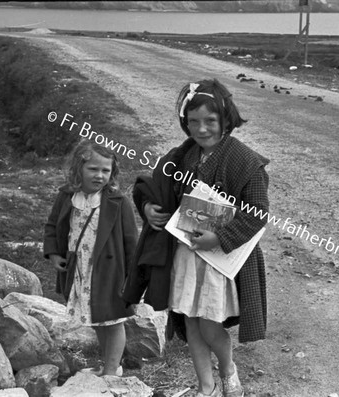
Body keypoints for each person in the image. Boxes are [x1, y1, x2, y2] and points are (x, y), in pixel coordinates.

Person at [123, 79, 269, 397]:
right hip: (187, 254)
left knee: (208, 323)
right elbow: (154, 186)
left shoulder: (246, 163)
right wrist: (148, 207)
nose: (202, 129)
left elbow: (257, 213)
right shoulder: (183, 157)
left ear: (226, 120)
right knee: (189, 321)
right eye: (194, 122)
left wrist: (218, 237)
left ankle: (228, 370)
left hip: (218, 260)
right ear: (185, 122)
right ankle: (207, 387)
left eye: (210, 121)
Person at [44, 140, 137, 376]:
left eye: (106, 170)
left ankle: (111, 370)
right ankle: (110, 364)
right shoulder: (67, 196)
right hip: (80, 268)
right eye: (93, 169)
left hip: (110, 271)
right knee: (97, 319)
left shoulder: (118, 202)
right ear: (79, 168)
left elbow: (131, 241)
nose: (99, 175)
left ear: (112, 173)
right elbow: (53, 226)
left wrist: (133, 277)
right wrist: (54, 253)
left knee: (113, 320)